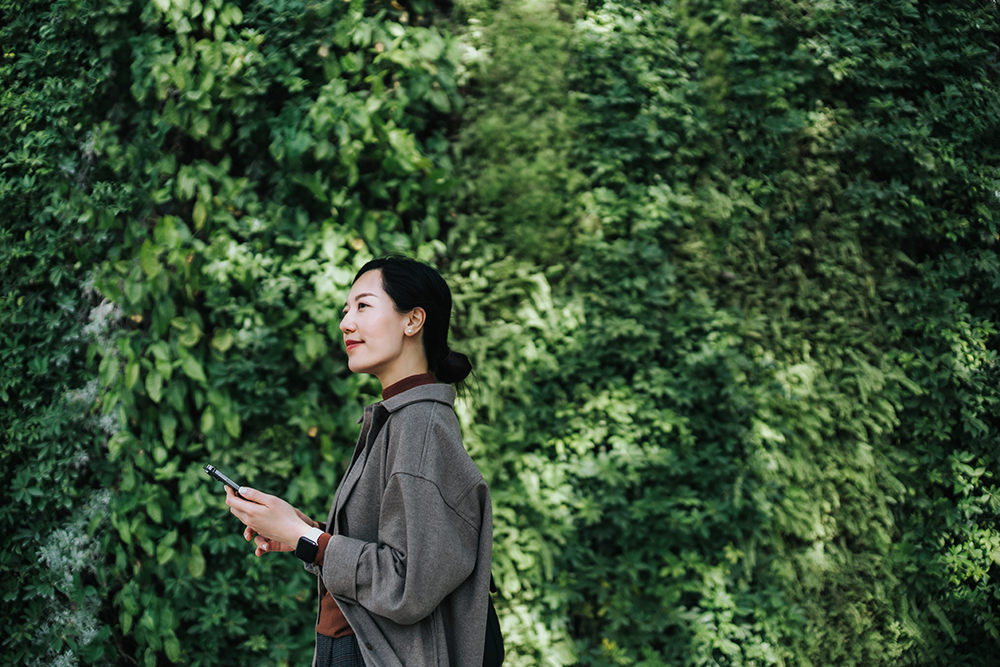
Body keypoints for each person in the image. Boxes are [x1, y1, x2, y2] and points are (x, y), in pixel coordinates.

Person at [224, 256, 493, 666]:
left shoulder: (420, 426)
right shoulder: (396, 419)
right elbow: (390, 554)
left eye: (363, 306)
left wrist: (312, 541)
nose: (346, 323)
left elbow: (409, 584)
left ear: (413, 320)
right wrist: (304, 537)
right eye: (345, 311)